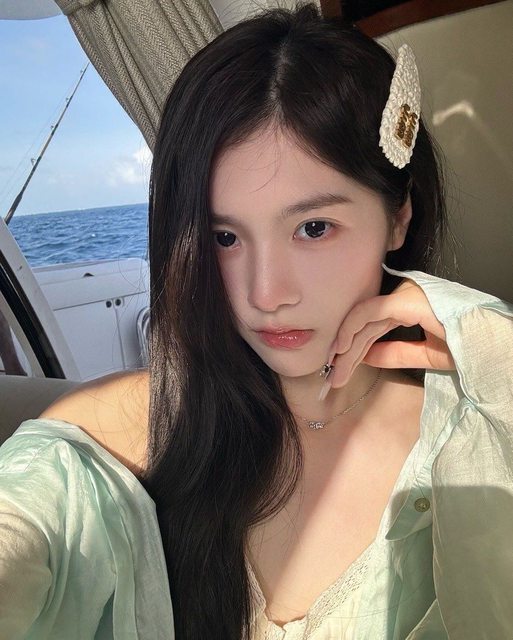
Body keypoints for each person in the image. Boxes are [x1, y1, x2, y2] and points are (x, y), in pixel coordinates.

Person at [0, 4, 512, 639]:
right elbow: (24, 521)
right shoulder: (136, 422)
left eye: (314, 227)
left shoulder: (478, 426)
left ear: (399, 218)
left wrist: (496, 353)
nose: (265, 295)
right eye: (224, 237)